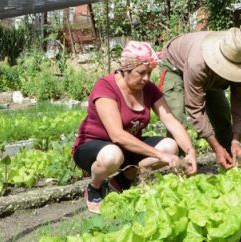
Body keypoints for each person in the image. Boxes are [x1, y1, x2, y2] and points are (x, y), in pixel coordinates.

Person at [72, 41, 198, 214]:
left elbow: (171, 121)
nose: (146, 78)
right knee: (112, 156)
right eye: (141, 73)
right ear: (125, 70)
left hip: (126, 148)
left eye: (149, 73)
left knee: (171, 146)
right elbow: (117, 135)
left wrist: (190, 151)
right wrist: (159, 155)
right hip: (94, 147)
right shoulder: (106, 87)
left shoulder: (148, 89)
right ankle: (95, 187)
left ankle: (122, 179)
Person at [158, 27, 241, 169]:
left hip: (208, 73)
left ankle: (231, 156)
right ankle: (181, 165)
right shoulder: (198, 64)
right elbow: (195, 108)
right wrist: (216, 148)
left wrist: (236, 140)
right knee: (176, 117)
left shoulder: (240, 58)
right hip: (174, 65)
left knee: (221, 115)